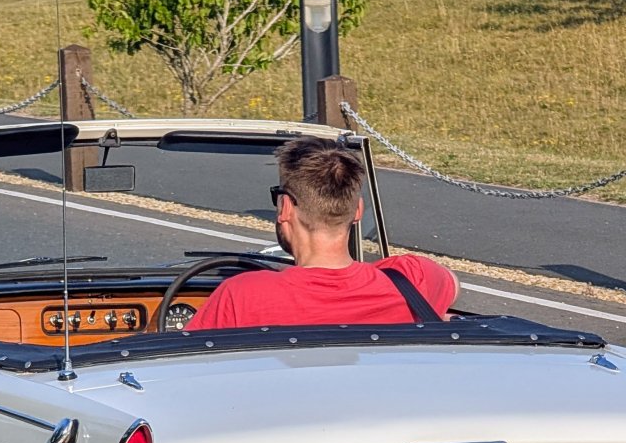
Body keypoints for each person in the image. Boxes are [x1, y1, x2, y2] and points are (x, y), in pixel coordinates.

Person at [188, 136, 459, 330]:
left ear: (285, 208)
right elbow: (451, 285)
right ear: (358, 210)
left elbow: (187, 369)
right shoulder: (411, 278)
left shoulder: (241, 296)